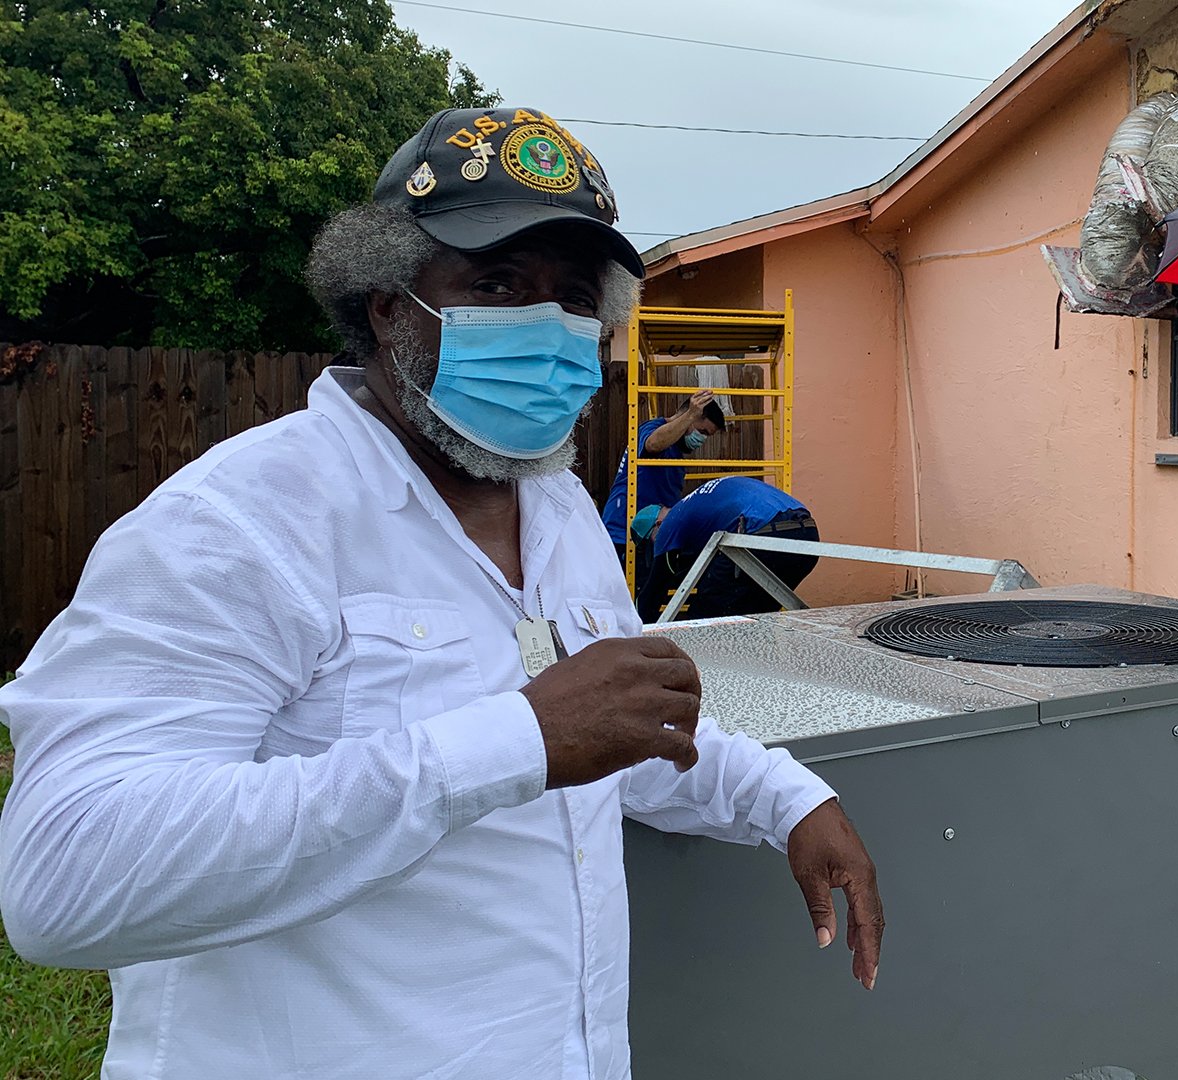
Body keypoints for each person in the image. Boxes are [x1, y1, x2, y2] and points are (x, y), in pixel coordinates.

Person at [0, 107, 882, 1080]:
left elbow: (618, 731)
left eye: (574, 298)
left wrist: (784, 799)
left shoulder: (558, 510)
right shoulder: (240, 521)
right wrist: (512, 740)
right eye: (497, 283)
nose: (546, 327)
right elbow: (66, 878)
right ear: (387, 303)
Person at [634, 476, 820, 620]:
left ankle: (702, 657)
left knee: (705, 612)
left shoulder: (670, 523)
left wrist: (640, 627)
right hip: (807, 533)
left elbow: (657, 584)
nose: (657, 545)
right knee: (756, 616)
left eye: (652, 541)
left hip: (764, 532)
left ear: (657, 524)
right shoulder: (695, 506)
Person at [600, 390, 725, 548]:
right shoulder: (653, 429)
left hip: (647, 534)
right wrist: (690, 415)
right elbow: (652, 445)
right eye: (702, 432)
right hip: (623, 532)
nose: (702, 439)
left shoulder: (676, 452)